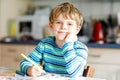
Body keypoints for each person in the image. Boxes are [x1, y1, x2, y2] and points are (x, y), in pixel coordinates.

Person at [20, 2, 88, 78]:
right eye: (58, 22)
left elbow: (75, 73)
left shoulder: (81, 48)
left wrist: (68, 43)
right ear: (51, 26)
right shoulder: (45, 44)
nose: (63, 27)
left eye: (69, 24)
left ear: (77, 29)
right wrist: (29, 69)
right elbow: (25, 62)